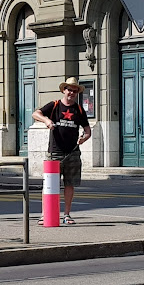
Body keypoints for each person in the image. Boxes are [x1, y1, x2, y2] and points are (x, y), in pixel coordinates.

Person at [32, 77, 91, 225]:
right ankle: (45, 214)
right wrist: (46, 121)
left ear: (77, 93)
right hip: (55, 152)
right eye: (69, 89)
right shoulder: (55, 105)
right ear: (64, 90)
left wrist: (84, 138)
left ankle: (67, 215)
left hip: (72, 152)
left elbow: (87, 130)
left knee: (69, 184)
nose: (71, 92)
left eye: (74, 90)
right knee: (50, 184)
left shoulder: (78, 109)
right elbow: (36, 113)